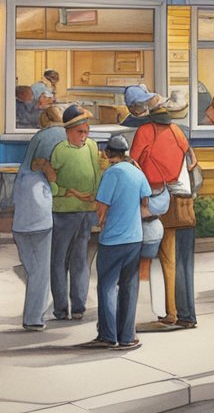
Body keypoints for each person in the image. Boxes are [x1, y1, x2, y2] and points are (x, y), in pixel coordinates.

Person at [130, 101, 197, 328]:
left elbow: (134, 162)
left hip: (161, 201)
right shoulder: (178, 132)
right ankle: (182, 312)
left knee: (165, 260)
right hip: (185, 201)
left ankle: (174, 313)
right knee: (182, 261)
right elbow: (192, 160)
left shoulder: (146, 132)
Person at [86, 134, 151, 350]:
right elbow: (145, 201)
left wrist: (101, 222)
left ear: (107, 153)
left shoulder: (111, 174)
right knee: (129, 287)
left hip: (113, 239)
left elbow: (101, 206)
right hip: (135, 238)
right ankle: (127, 336)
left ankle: (107, 335)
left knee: (106, 286)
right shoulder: (137, 172)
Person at [44, 105, 102, 321]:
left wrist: (95, 201)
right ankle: (60, 308)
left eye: (87, 132)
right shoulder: (60, 150)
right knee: (59, 260)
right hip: (63, 213)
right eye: (80, 132)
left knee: (79, 260)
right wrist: (65, 192)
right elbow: (52, 182)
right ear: (68, 131)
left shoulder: (92, 147)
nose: (84, 137)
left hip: (85, 213)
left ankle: (78, 306)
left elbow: (97, 178)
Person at [15, 105, 65, 330]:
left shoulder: (38, 137)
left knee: (32, 266)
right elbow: (53, 172)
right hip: (42, 210)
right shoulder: (61, 137)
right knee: (41, 269)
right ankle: (34, 317)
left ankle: (35, 312)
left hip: (22, 212)